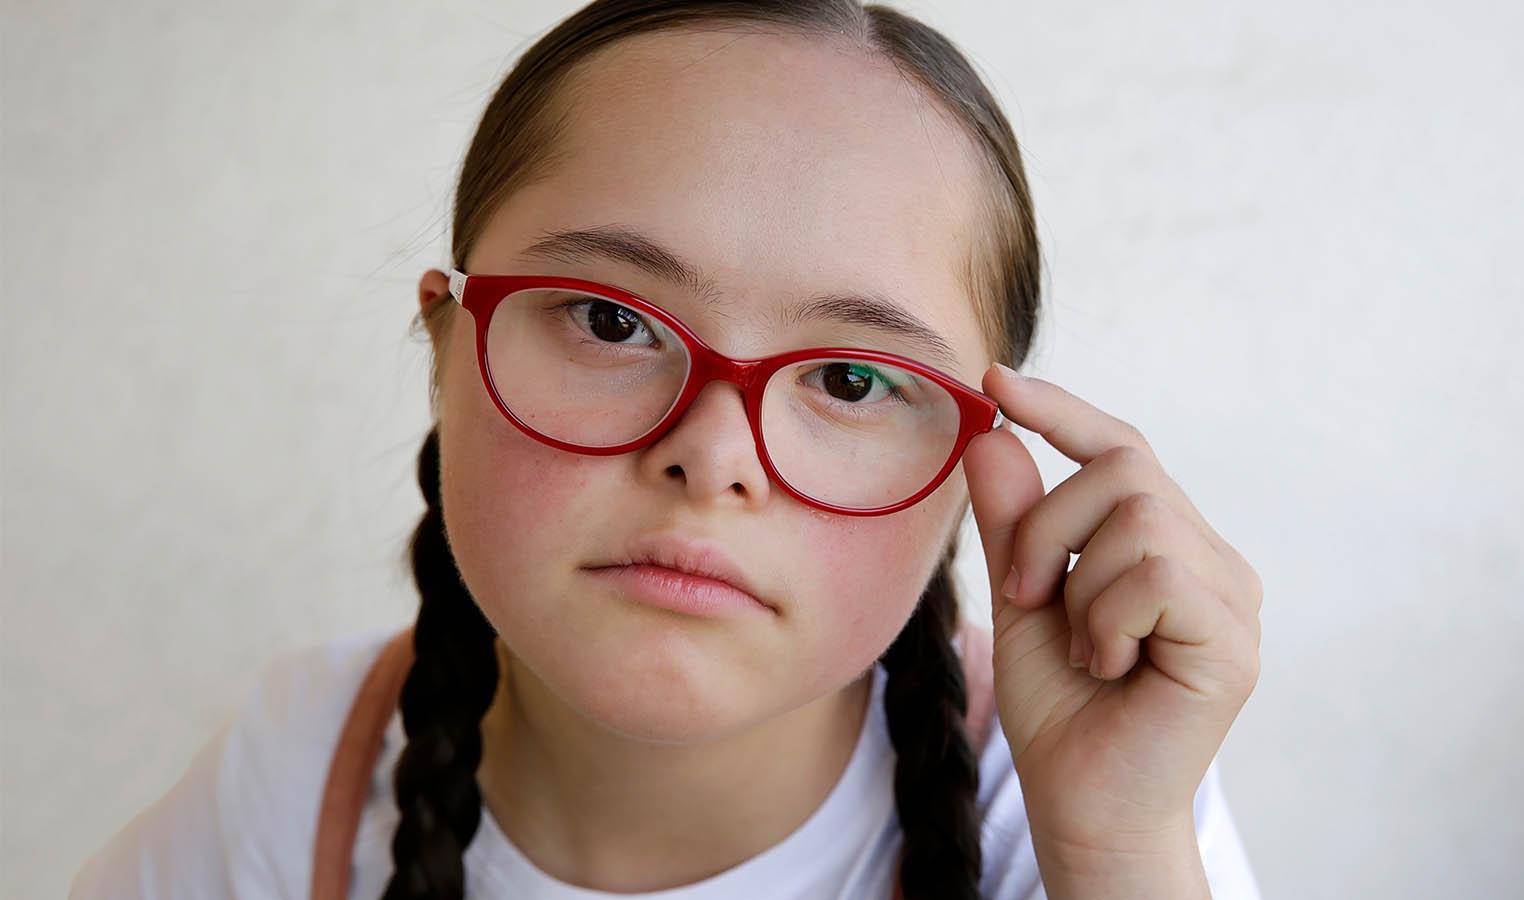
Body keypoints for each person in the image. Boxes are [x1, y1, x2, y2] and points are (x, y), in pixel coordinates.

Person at [72, 2, 1266, 898]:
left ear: (973, 473)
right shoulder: (304, 771)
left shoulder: (1078, 803)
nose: (714, 455)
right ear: (444, 347)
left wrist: (1114, 848)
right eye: (609, 321)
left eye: (851, 379)